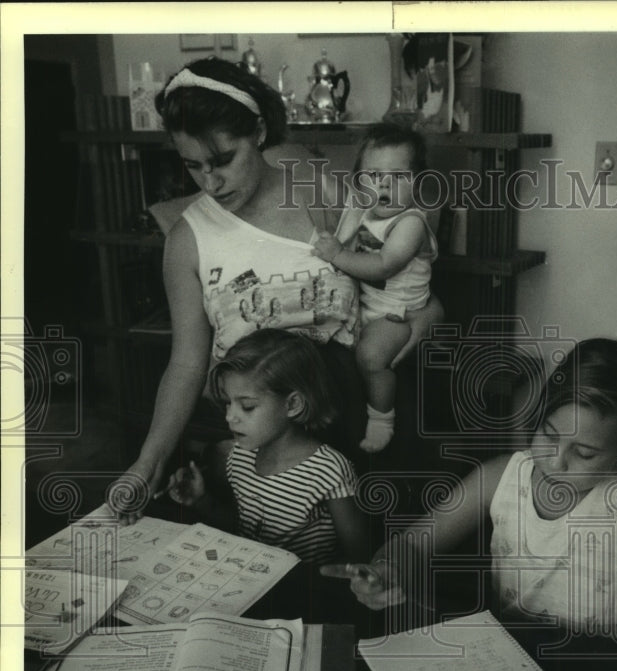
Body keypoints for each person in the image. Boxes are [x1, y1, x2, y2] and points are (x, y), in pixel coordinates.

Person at [325, 239, 617, 648]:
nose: (557, 460)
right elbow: (415, 543)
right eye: (549, 435)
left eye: (586, 453)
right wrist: (388, 569)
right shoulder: (503, 476)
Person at [108, 58, 442, 524]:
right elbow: (186, 363)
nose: (211, 182)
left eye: (223, 159)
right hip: (259, 437)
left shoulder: (318, 194)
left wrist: (426, 314)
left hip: (350, 418)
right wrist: (149, 462)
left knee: (365, 562)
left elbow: (396, 275)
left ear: (259, 132)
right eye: (193, 166)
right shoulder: (187, 240)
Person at [165, 329, 367, 566]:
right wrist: (202, 501)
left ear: (292, 404)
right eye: (228, 403)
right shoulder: (238, 456)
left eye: (247, 406)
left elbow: (359, 556)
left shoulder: (329, 470)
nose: (230, 417)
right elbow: (244, 529)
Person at [312, 124, 437, 453]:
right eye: (373, 174)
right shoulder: (365, 210)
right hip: (369, 305)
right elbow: (337, 201)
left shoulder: (410, 222)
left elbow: (385, 265)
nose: (383, 183)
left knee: (371, 358)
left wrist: (338, 255)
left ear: (418, 183)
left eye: (397, 176)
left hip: (399, 312)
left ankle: (382, 419)